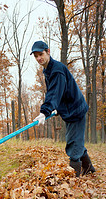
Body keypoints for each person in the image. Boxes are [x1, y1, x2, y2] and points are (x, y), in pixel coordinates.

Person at [31, 40, 95, 177]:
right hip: (69, 111)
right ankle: (89, 170)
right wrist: (56, 109)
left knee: (73, 145)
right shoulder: (48, 69)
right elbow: (59, 93)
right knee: (76, 142)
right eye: (35, 56)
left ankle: (75, 180)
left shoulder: (57, 70)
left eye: (40, 54)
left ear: (48, 52)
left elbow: (54, 92)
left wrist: (45, 111)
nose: (38, 58)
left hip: (76, 110)